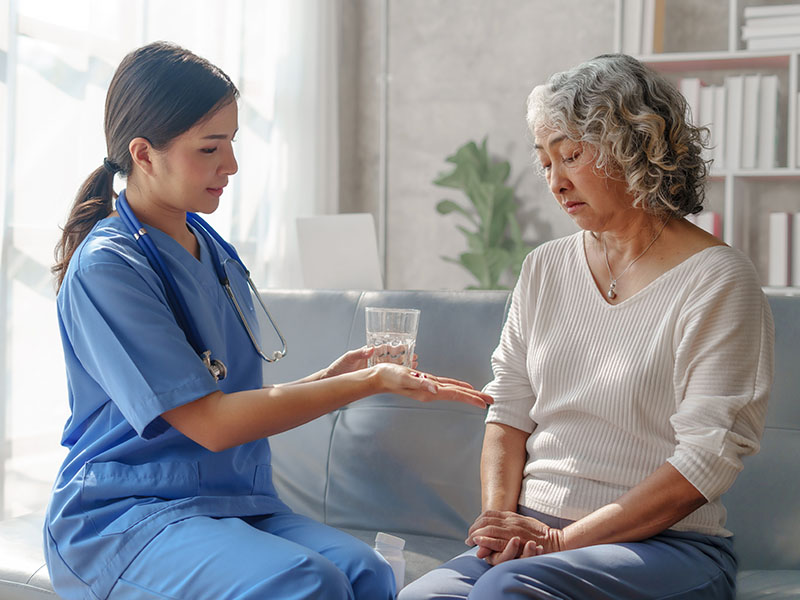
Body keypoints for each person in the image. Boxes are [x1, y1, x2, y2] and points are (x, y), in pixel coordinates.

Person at [45, 41, 492, 600]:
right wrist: (369, 381)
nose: (230, 165)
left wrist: (331, 379)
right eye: (210, 148)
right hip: (127, 516)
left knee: (366, 572)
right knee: (305, 582)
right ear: (144, 154)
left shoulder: (214, 250)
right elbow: (210, 423)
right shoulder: (109, 267)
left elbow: (225, 400)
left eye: (231, 143)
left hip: (229, 500)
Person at [399, 53, 774, 600]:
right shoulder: (545, 267)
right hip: (531, 542)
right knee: (424, 597)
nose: (555, 181)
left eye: (571, 156)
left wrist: (559, 541)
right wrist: (499, 523)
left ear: (636, 150)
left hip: (664, 546)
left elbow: (706, 459)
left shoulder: (718, 280)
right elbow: (508, 412)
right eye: (545, 162)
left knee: (507, 592)